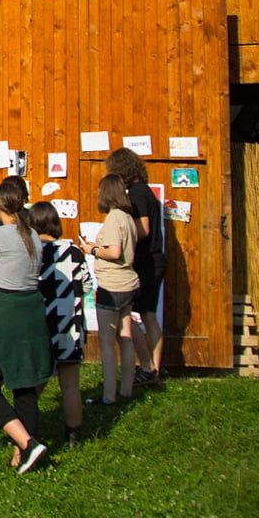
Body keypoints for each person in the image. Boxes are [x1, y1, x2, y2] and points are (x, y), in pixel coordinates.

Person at [0, 181, 56, 472]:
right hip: (32, 309)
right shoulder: (33, 234)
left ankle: (26, 443)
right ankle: (24, 452)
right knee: (25, 384)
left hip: (5, 311)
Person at [105, 147, 167, 386]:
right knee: (146, 314)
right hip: (151, 259)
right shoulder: (145, 191)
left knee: (144, 315)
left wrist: (123, 237)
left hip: (147, 260)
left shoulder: (139, 193)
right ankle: (151, 367)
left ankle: (151, 368)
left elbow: (143, 228)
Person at [33, 200, 90, 445]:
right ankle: (74, 435)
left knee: (34, 384)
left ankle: (26, 432)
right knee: (70, 385)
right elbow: (86, 285)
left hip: (42, 325)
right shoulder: (74, 251)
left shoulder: (34, 253)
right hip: (71, 326)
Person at [85, 173, 141, 408]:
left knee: (107, 342)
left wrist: (93, 249)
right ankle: (126, 389)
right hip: (129, 283)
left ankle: (109, 395)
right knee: (126, 337)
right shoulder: (128, 217)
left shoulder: (113, 219)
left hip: (112, 285)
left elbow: (114, 252)